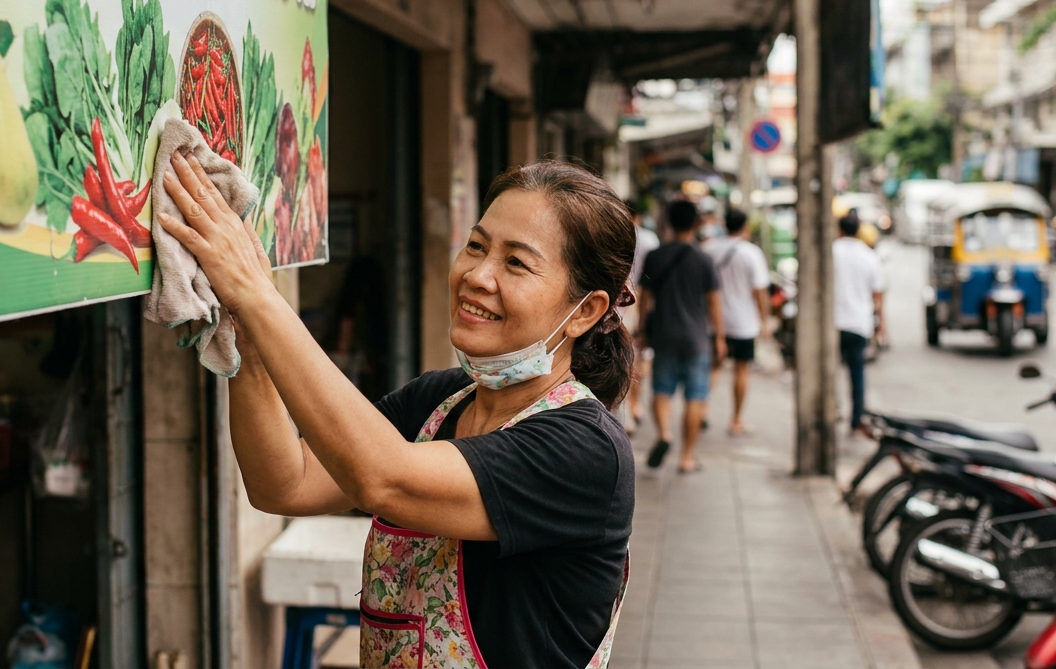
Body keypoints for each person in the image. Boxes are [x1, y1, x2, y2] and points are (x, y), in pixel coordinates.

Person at [157, 159, 635, 667]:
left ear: (584, 310)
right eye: (476, 246)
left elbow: (382, 479)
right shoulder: (437, 400)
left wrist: (256, 293)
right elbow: (285, 484)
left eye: (516, 263)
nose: (477, 275)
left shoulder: (586, 451)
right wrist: (248, 344)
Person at [639, 199, 725, 473]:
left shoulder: (656, 256)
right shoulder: (704, 258)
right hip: (696, 338)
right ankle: (687, 457)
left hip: (663, 335)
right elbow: (713, 303)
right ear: (696, 224)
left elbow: (644, 298)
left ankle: (665, 433)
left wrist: (642, 329)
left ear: (668, 223)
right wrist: (720, 337)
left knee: (662, 391)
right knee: (695, 397)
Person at [701, 208, 770, 435]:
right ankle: (736, 419)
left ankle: (701, 410)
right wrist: (765, 321)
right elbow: (760, 292)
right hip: (743, 323)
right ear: (746, 227)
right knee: (741, 370)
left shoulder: (708, 248)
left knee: (713, 366)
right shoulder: (751, 253)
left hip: (713, 320)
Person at [834, 212, 885, 432]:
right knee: (857, 374)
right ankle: (856, 420)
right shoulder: (869, 256)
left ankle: (832, 410)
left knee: (830, 371)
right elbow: (878, 296)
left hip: (833, 323)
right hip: (858, 323)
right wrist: (880, 324)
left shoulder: (830, 252)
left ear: (839, 229)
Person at [621, 201, 660, 433]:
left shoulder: (609, 233)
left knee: (620, 356)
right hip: (638, 303)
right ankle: (634, 406)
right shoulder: (649, 240)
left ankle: (626, 410)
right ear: (640, 216)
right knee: (637, 357)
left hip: (615, 301)